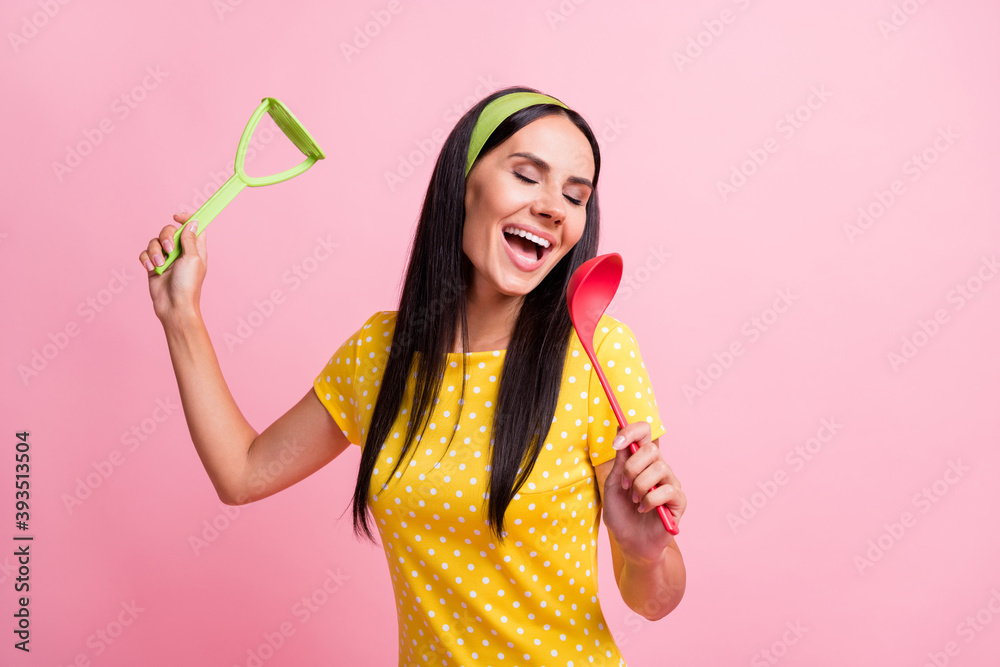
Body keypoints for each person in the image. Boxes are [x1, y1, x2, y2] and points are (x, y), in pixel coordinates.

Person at [139, 86, 687, 666]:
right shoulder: (380, 355)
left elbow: (654, 602)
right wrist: (181, 316)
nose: (554, 207)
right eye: (527, 176)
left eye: (575, 196)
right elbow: (243, 473)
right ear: (464, 182)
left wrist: (645, 554)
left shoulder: (595, 352)